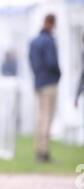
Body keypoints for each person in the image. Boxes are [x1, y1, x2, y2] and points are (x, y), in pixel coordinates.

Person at [29, 14, 61, 162]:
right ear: (50, 23)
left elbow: (31, 61)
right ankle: (44, 152)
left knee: (40, 117)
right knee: (47, 118)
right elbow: (51, 62)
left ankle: (39, 149)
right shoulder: (49, 41)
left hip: (38, 82)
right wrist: (58, 74)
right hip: (49, 82)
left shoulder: (34, 41)